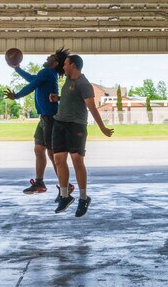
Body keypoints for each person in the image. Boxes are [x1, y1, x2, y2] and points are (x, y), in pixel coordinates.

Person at [49, 55, 114, 217]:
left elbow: (91, 107)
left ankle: (83, 198)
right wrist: (59, 98)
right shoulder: (68, 81)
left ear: (73, 65)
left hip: (76, 126)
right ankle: (65, 196)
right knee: (58, 160)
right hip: (59, 124)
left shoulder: (84, 84)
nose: (63, 67)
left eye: (65, 64)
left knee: (77, 160)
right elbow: (72, 98)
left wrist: (102, 128)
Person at [5, 47, 73, 198]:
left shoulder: (48, 72)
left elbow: (31, 86)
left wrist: (16, 95)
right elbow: (32, 79)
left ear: (55, 63)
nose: (48, 56)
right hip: (44, 117)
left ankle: (66, 185)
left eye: (52, 56)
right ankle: (40, 182)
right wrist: (17, 69)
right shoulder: (47, 73)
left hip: (50, 117)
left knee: (51, 153)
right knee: (38, 149)